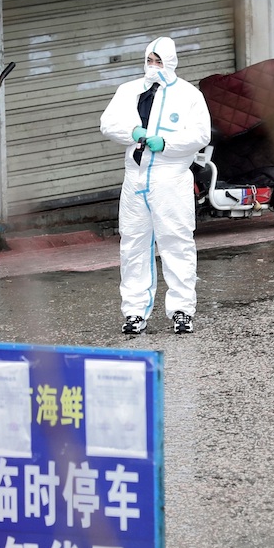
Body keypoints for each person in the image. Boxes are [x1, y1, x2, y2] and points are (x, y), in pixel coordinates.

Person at [99, 36, 211, 335]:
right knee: (133, 245)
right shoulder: (129, 90)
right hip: (135, 179)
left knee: (176, 244)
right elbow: (108, 123)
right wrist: (132, 131)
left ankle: (182, 311)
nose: (152, 66)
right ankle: (134, 313)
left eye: (158, 61)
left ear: (171, 62)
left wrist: (168, 143)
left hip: (170, 178)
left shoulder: (188, 95)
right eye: (149, 60)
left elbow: (201, 134)